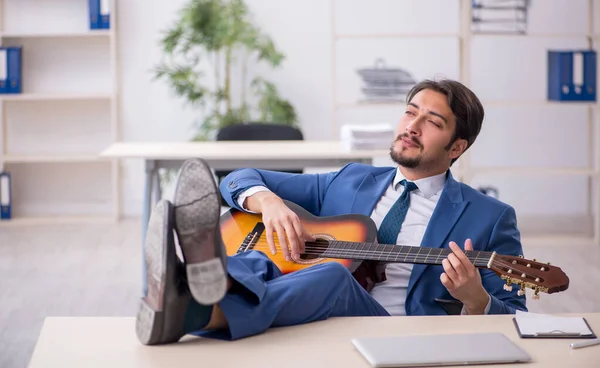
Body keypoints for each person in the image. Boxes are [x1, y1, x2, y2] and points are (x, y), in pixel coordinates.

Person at [135, 79, 527, 346]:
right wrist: (269, 204)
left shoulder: (490, 216)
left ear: (456, 147)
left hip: (393, 330)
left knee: (334, 276)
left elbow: (516, 318)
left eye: (432, 122)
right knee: (263, 259)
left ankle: (191, 301)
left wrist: (475, 300)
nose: (413, 126)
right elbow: (240, 178)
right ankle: (191, 292)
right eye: (410, 113)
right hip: (314, 312)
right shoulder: (351, 179)